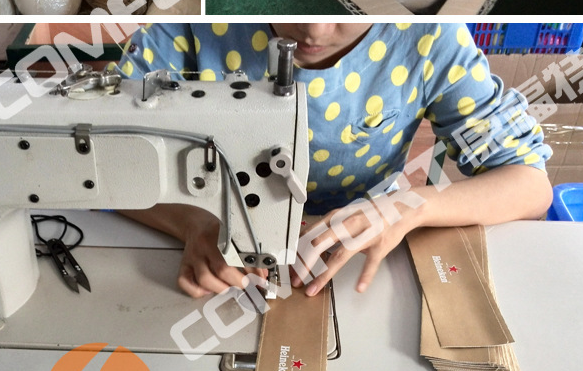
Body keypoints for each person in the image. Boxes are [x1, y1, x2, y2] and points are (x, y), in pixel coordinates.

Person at [116, 22, 553, 299]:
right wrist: (193, 222)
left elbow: (530, 183)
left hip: (364, 246)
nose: (315, 31)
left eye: (346, 13)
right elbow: (108, 164)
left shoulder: (429, 37)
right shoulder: (188, 26)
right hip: (218, 242)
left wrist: (409, 206)